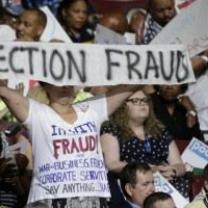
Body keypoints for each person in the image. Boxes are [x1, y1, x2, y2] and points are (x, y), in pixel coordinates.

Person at [0, 79, 140, 208]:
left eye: (69, 81)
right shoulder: (37, 113)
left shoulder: (92, 110)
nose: (66, 86)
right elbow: (5, 92)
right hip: (50, 200)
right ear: (46, 86)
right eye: (59, 82)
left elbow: (131, 86)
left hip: (91, 200)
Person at [101, 89, 189, 198]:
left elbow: (179, 164)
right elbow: (112, 164)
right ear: (122, 105)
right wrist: (147, 169)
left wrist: (172, 171)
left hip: (164, 181)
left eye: (144, 100)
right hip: (134, 183)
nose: (142, 103)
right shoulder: (111, 128)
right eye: (136, 101)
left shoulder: (159, 129)